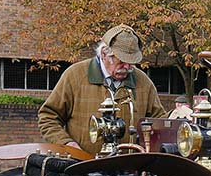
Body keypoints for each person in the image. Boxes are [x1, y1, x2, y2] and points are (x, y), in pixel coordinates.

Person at [38, 24, 167, 155]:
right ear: (104, 54)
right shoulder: (75, 76)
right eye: (121, 61)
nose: (127, 67)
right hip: (82, 167)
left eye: (131, 62)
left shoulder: (143, 82)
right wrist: (67, 144)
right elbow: (48, 117)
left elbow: (160, 122)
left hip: (130, 170)